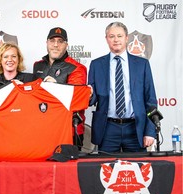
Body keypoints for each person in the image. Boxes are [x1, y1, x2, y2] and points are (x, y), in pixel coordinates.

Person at [88, 22, 158, 153]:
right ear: (106, 39)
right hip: (107, 128)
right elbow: (91, 100)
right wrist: (88, 94)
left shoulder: (142, 64)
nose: (115, 39)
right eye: (111, 36)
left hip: (136, 128)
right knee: (105, 171)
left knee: (138, 170)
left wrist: (149, 131)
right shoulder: (96, 65)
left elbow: (151, 100)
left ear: (126, 38)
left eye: (119, 36)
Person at [33, 27, 87, 150]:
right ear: (47, 43)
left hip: (68, 130)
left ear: (66, 45)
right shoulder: (37, 65)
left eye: (60, 41)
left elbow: (77, 100)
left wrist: (57, 86)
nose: (56, 45)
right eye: (52, 41)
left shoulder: (77, 68)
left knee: (68, 169)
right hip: (42, 129)